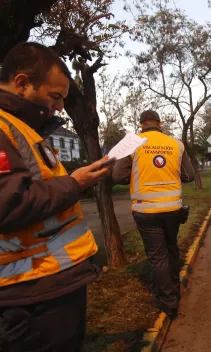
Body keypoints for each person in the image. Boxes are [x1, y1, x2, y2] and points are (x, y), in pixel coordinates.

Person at [0, 42, 113, 351]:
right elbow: (9, 205)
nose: (61, 107)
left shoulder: (24, 129)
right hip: (32, 292)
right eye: (55, 97)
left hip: (47, 284)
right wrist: (75, 183)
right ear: (22, 83)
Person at [112, 110, 195, 319]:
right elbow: (189, 175)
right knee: (171, 247)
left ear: (140, 124)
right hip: (172, 209)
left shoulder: (134, 143)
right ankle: (174, 285)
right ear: (160, 123)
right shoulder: (176, 144)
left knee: (158, 256)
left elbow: (118, 175)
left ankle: (169, 302)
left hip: (146, 211)